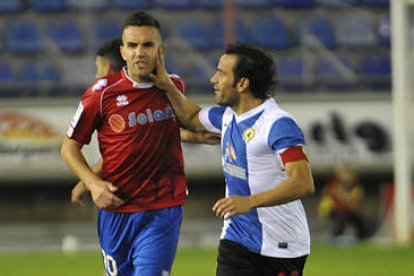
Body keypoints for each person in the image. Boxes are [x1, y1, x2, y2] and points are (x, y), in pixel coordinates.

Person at [61, 11, 208, 275]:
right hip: (117, 209)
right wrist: (92, 184)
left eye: (147, 45)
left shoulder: (174, 86)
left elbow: (186, 122)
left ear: (160, 51)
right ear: (123, 51)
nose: (140, 52)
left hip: (162, 208)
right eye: (132, 45)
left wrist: (190, 127)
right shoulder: (101, 94)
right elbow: (69, 147)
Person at [150, 43, 315, 276]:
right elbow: (191, 117)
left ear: (242, 83)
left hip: (281, 245)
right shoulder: (227, 117)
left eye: (221, 73)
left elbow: (303, 183)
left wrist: (249, 201)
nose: (213, 79)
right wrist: (167, 86)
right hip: (236, 238)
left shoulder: (278, 124)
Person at [71, 38, 219, 206]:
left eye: (100, 68)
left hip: (158, 199)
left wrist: (86, 182)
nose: (97, 75)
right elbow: (139, 138)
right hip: (123, 201)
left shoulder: (164, 89)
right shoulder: (106, 97)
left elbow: (134, 143)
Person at [318, 163, 368, 243]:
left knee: (358, 219)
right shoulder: (333, 185)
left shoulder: (356, 188)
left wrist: (345, 199)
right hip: (331, 209)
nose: (346, 176)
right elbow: (330, 200)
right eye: (344, 174)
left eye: (348, 174)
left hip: (347, 210)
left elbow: (355, 204)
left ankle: (363, 238)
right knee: (340, 218)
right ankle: (335, 238)